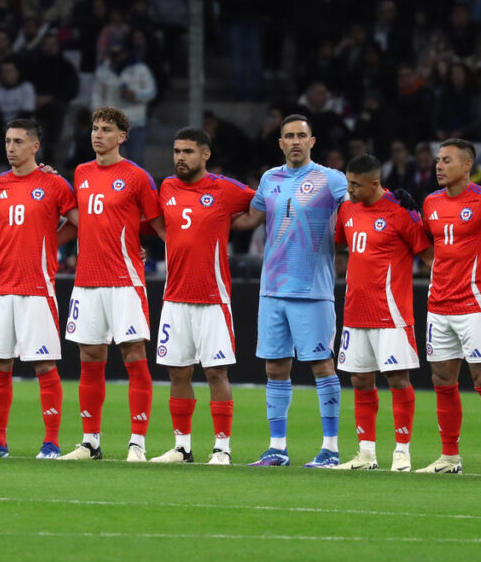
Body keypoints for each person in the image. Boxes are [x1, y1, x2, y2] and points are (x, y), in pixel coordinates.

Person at [0, 119, 79, 459]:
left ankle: (51, 443)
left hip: (37, 287)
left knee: (44, 366)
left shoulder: (54, 184)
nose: (10, 147)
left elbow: (81, 222)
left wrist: (52, 241)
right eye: (7, 141)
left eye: (18, 142)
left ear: (35, 147)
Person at [232, 115, 347, 468]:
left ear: (313, 141)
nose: (295, 141)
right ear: (280, 143)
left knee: (322, 366)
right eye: (288, 136)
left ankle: (330, 448)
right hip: (272, 290)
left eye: (301, 135)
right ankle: (277, 448)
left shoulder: (332, 180)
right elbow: (249, 220)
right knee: (275, 367)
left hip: (313, 290)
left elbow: (358, 211)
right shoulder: (270, 179)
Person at [60, 106, 165, 462]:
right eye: (94, 128)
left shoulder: (137, 176)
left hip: (124, 280)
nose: (98, 134)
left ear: (122, 136)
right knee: (89, 358)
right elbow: (81, 218)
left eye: (106, 129)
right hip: (87, 280)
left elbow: (156, 224)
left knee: (134, 357)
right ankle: (90, 441)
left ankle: (137, 443)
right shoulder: (81, 172)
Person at [148, 128, 255, 466]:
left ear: (205, 155)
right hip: (175, 297)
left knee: (215, 374)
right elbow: (152, 219)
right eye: (177, 151)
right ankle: (182, 447)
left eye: (188, 152)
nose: (180, 157)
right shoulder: (166, 187)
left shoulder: (223, 189)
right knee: (178, 373)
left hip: (213, 299)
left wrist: (234, 223)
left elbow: (262, 201)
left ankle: (222, 448)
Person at [419, 138, 481, 475]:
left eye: (446, 160)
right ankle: (449, 457)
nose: (439, 166)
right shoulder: (430, 202)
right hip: (438, 302)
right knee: (442, 378)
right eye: (438, 160)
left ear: (467, 166)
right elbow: (432, 244)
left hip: (474, 303)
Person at [333, 154, 433, 472]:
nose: (348, 189)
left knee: (397, 378)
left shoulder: (398, 213)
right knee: (361, 379)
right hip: (354, 312)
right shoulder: (347, 209)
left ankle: (401, 451)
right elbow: (338, 244)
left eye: (355, 184)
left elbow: (428, 254)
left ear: (375, 183)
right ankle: (366, 454)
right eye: (348, 182)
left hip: (391, 312)